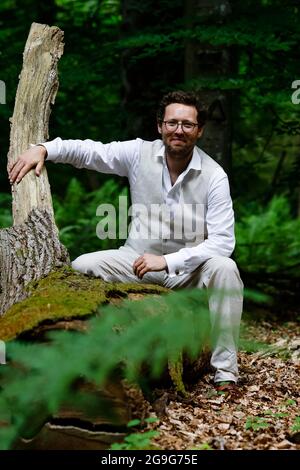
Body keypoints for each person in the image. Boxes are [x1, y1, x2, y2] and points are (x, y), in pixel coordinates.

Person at [8, 90, 243, 393]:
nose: (179, 130)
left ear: (199, 130)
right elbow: (91, 152)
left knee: (225, 268)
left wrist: (169, 261)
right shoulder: (138, 153)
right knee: (81, 266)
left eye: (187, 124)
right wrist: (44, 149)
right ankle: (90, 350)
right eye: (172, 123)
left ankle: (225, 371)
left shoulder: (214, 176)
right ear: (160, 126)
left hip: (188, 273)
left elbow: (223, 242)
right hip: (136, 261)